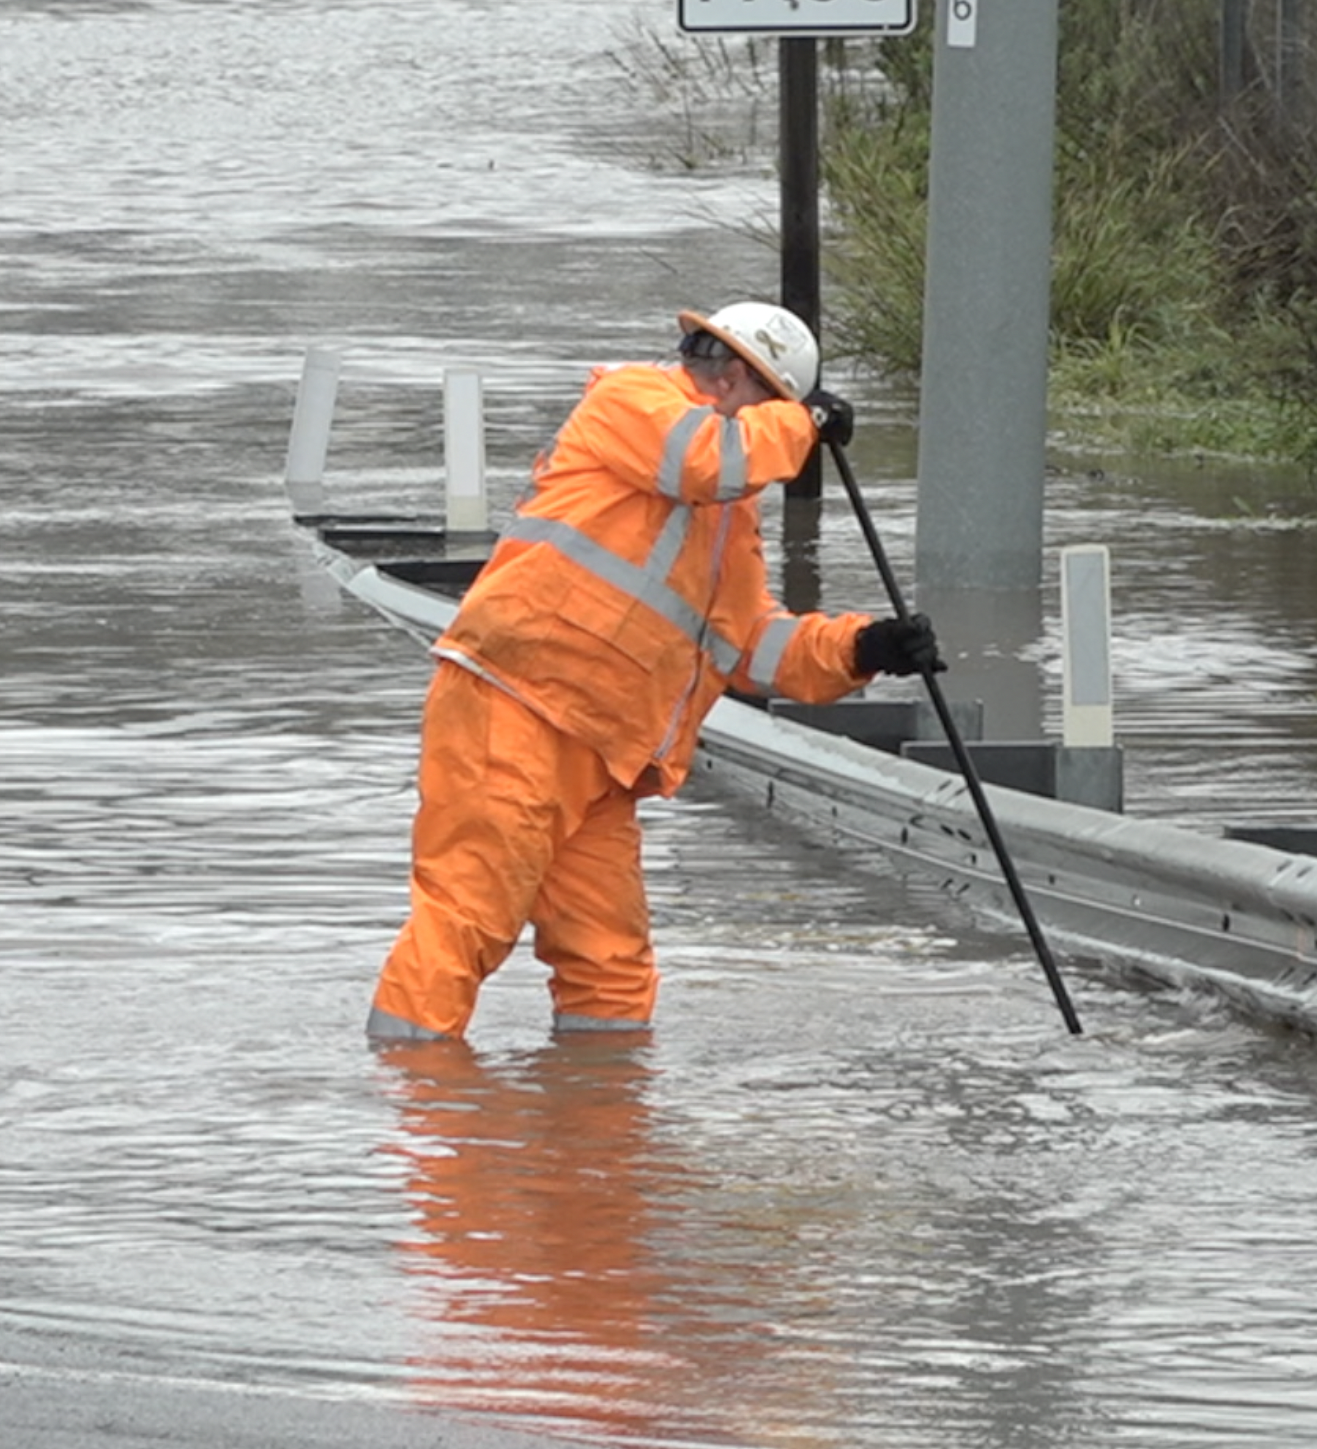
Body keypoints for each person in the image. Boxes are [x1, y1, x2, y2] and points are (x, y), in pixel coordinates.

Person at [367, 302, 942, 1042]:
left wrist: (867, 648)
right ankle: (421, 1123)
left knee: (610, 966)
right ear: (737, 379)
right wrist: (805, 423)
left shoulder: (728, 521)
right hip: (514, 706)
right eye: (777, 412)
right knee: (467, 920)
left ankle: (600, 1135)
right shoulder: (634, 401)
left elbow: (747, 650)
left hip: (606, 753)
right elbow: (705, 459)